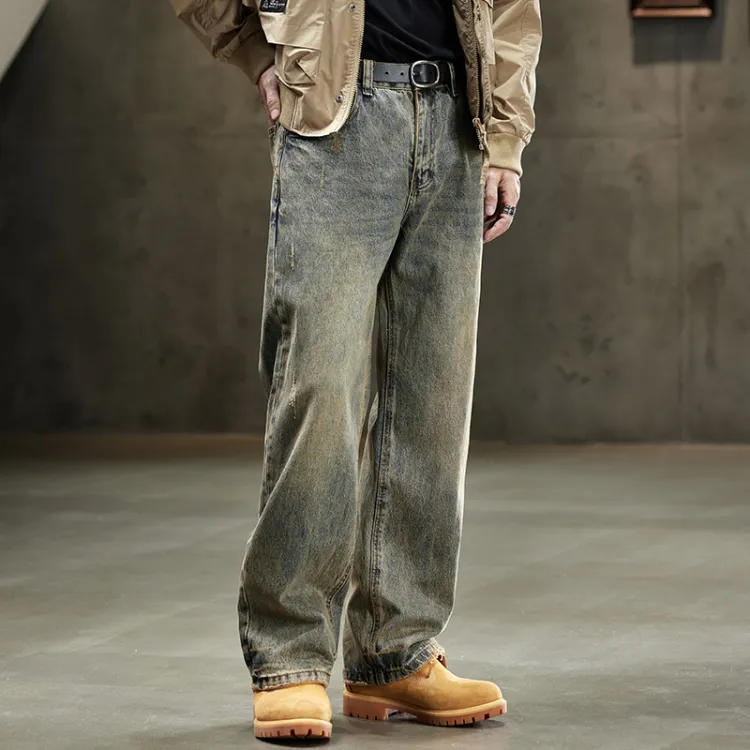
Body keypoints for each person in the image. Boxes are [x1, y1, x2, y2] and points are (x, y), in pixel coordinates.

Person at [171, 0, 542, 741]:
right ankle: (290, 658)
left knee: (433, 403)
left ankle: (395, 652)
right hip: (336, 124)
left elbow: (512, 9)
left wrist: (504, 137)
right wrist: (256, 53)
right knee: (320, 390)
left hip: (457, 122)